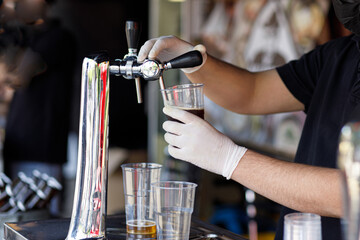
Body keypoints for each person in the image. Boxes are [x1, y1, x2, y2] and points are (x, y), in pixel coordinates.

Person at [137, 0, 360, 239]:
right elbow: (252, 92)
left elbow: (350, 192)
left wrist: (229, 159)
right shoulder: (341, 55)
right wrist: (193, 62)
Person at [1, 0, 76, 216]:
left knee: (39, 221)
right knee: (14, 219)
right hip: (19, 145)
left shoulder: (58, 37)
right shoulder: (24, 37)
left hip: (42, 149)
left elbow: (18, 77)